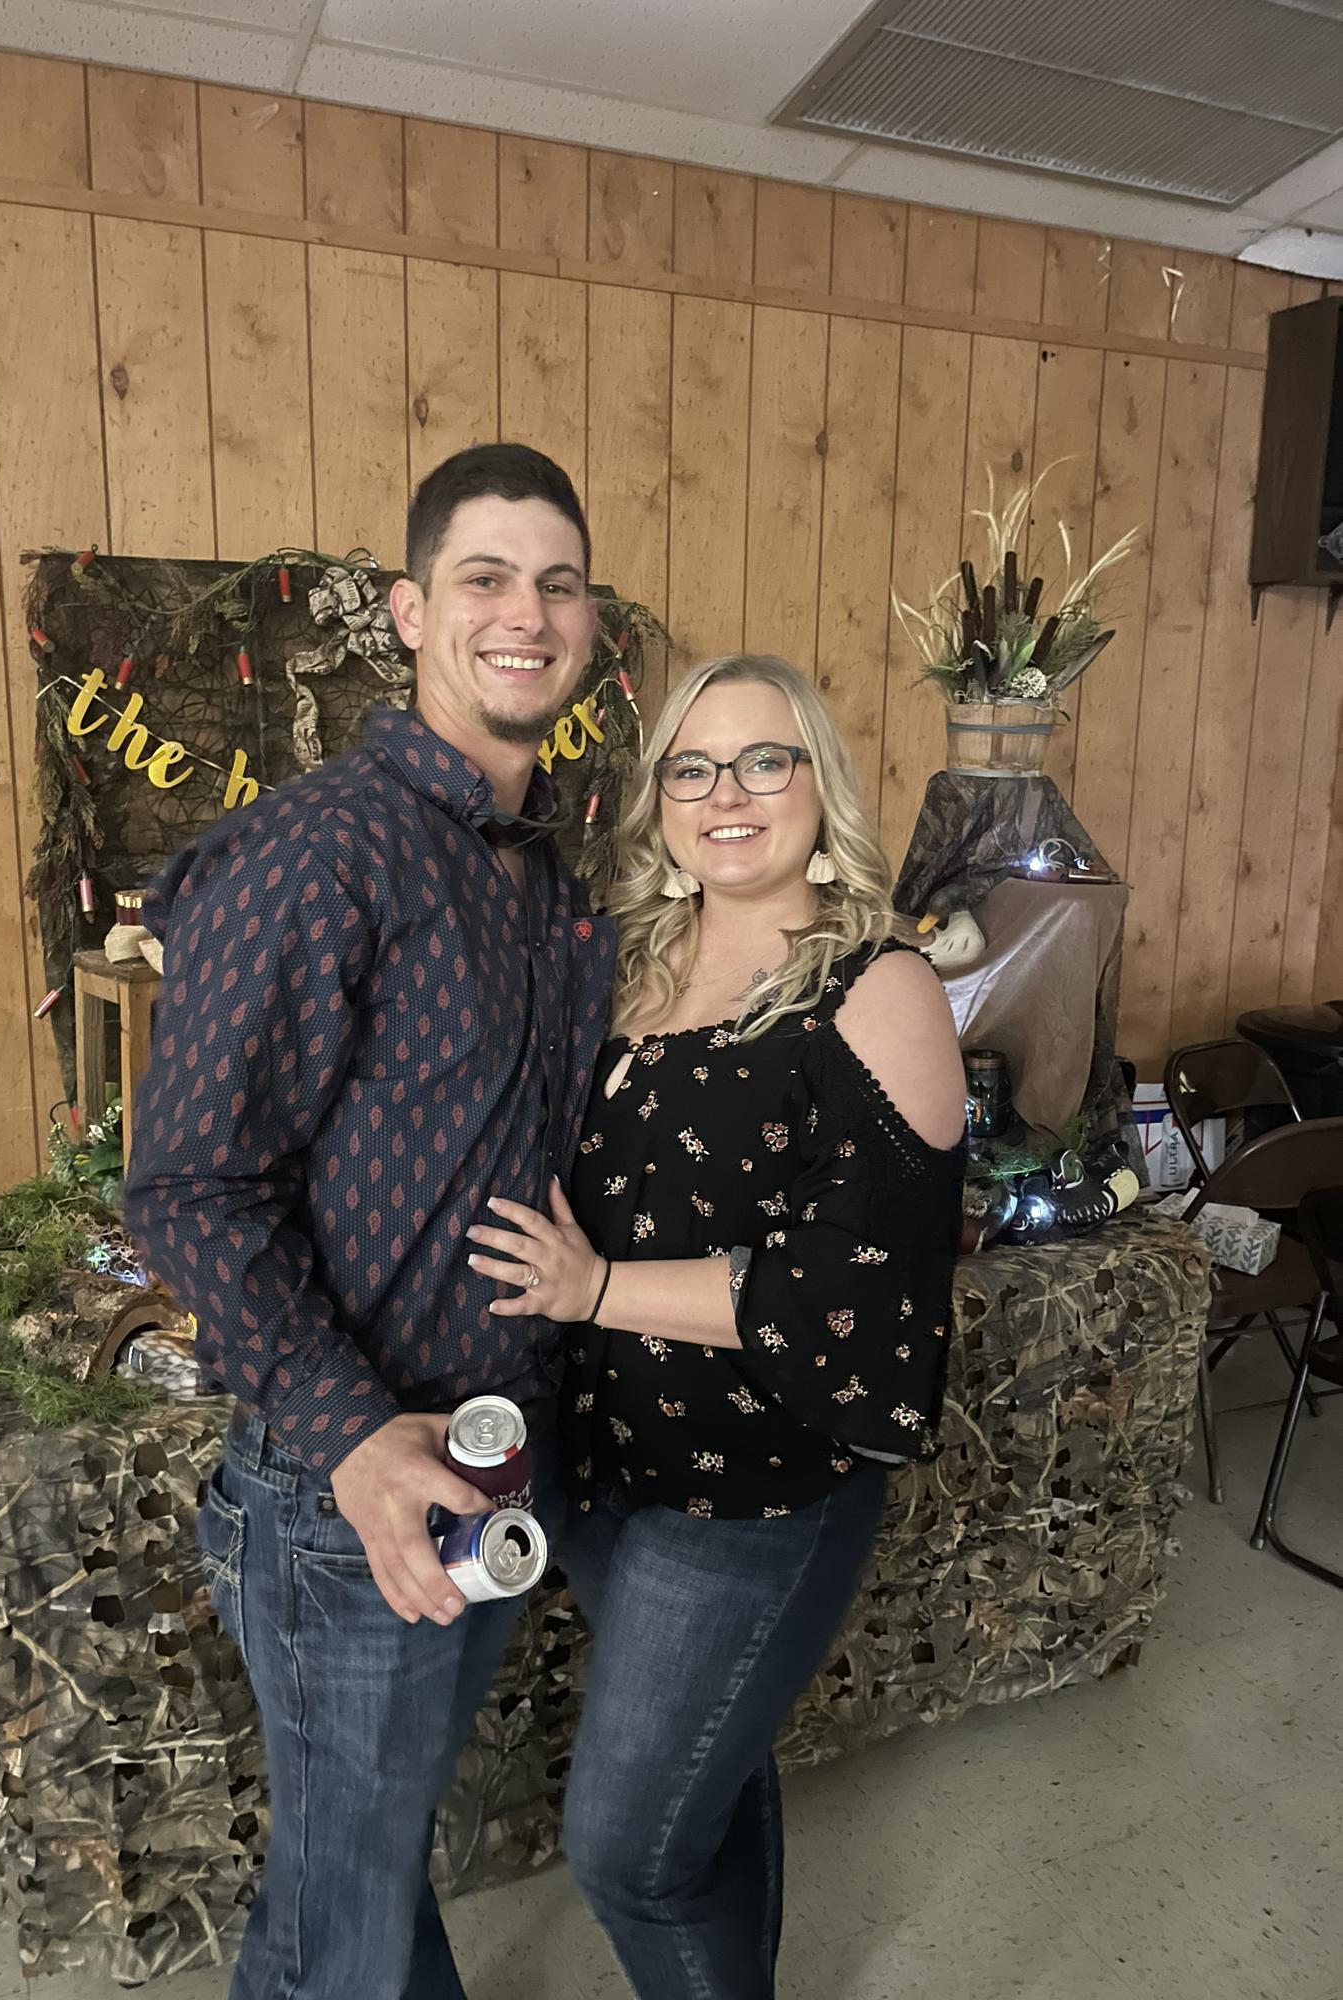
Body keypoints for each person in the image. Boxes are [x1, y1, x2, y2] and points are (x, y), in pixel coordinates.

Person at [124, 444, 616, 2000]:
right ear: (410, 613)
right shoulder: (319, 849)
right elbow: (188, 1182)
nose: (525, 613)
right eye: (485, 578)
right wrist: (348, 1437)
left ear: (588, 620)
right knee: (340, 1922)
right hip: (346, 1491)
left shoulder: (547, 870)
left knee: (363, 1866)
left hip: (493, 1452)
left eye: (557, 584)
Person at [465, 654, 966, 1999]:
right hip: (606, 1460)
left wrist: (593, 1290)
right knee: (712, 1774)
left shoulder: (876, 988)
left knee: (628, 1851)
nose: (726, 795)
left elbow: (855, 1285)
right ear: (660, 800)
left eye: (762, 761)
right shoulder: (632, 963)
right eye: (692, 768)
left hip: (753, 1489)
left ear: (818, 785)